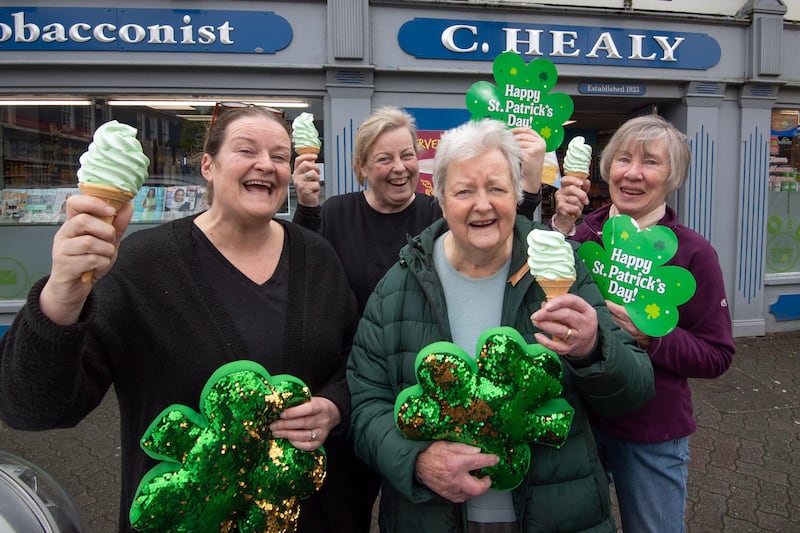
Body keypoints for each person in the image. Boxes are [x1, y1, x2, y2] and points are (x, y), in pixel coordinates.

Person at [0, 106, 361, 532]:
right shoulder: (142, 265)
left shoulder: (316, 256)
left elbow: (353, 362)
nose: (266, 164)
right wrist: (63, 293)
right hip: (180, 517)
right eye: (247, 149)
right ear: (208, 165)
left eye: (280, 156)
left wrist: (335, 406)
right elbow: (31, 408)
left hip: (306, 515)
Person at [346, 118, 656, 532]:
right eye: (464, 191)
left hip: (557, 515)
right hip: (432, 517)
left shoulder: (560, 268)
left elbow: (634, 391)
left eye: (497, 188)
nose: (483, 204)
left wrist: (594, 348)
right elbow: (366, 404)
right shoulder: (398, 286)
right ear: (439, 198)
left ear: (517, 193)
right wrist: (416, 460)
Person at [551, 114, 735, 532]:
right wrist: (561, 225)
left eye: (650, 162)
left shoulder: (693, 253)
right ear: (607, 168)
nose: (632, 174)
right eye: (622, 159)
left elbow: (717, 355)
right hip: (578, 420)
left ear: (673, 176)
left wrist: (654, 337)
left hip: (652, 431)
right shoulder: (583, 236)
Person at [292, 106, 546, 315]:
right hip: (359, 357)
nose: (400, 168)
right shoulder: (337, 213)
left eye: (407, 155)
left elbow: (500, 234)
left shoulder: (440, 212)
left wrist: (531, 185)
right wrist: (306, 205)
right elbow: (301, 265)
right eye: (384, 159)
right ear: (363, 167)